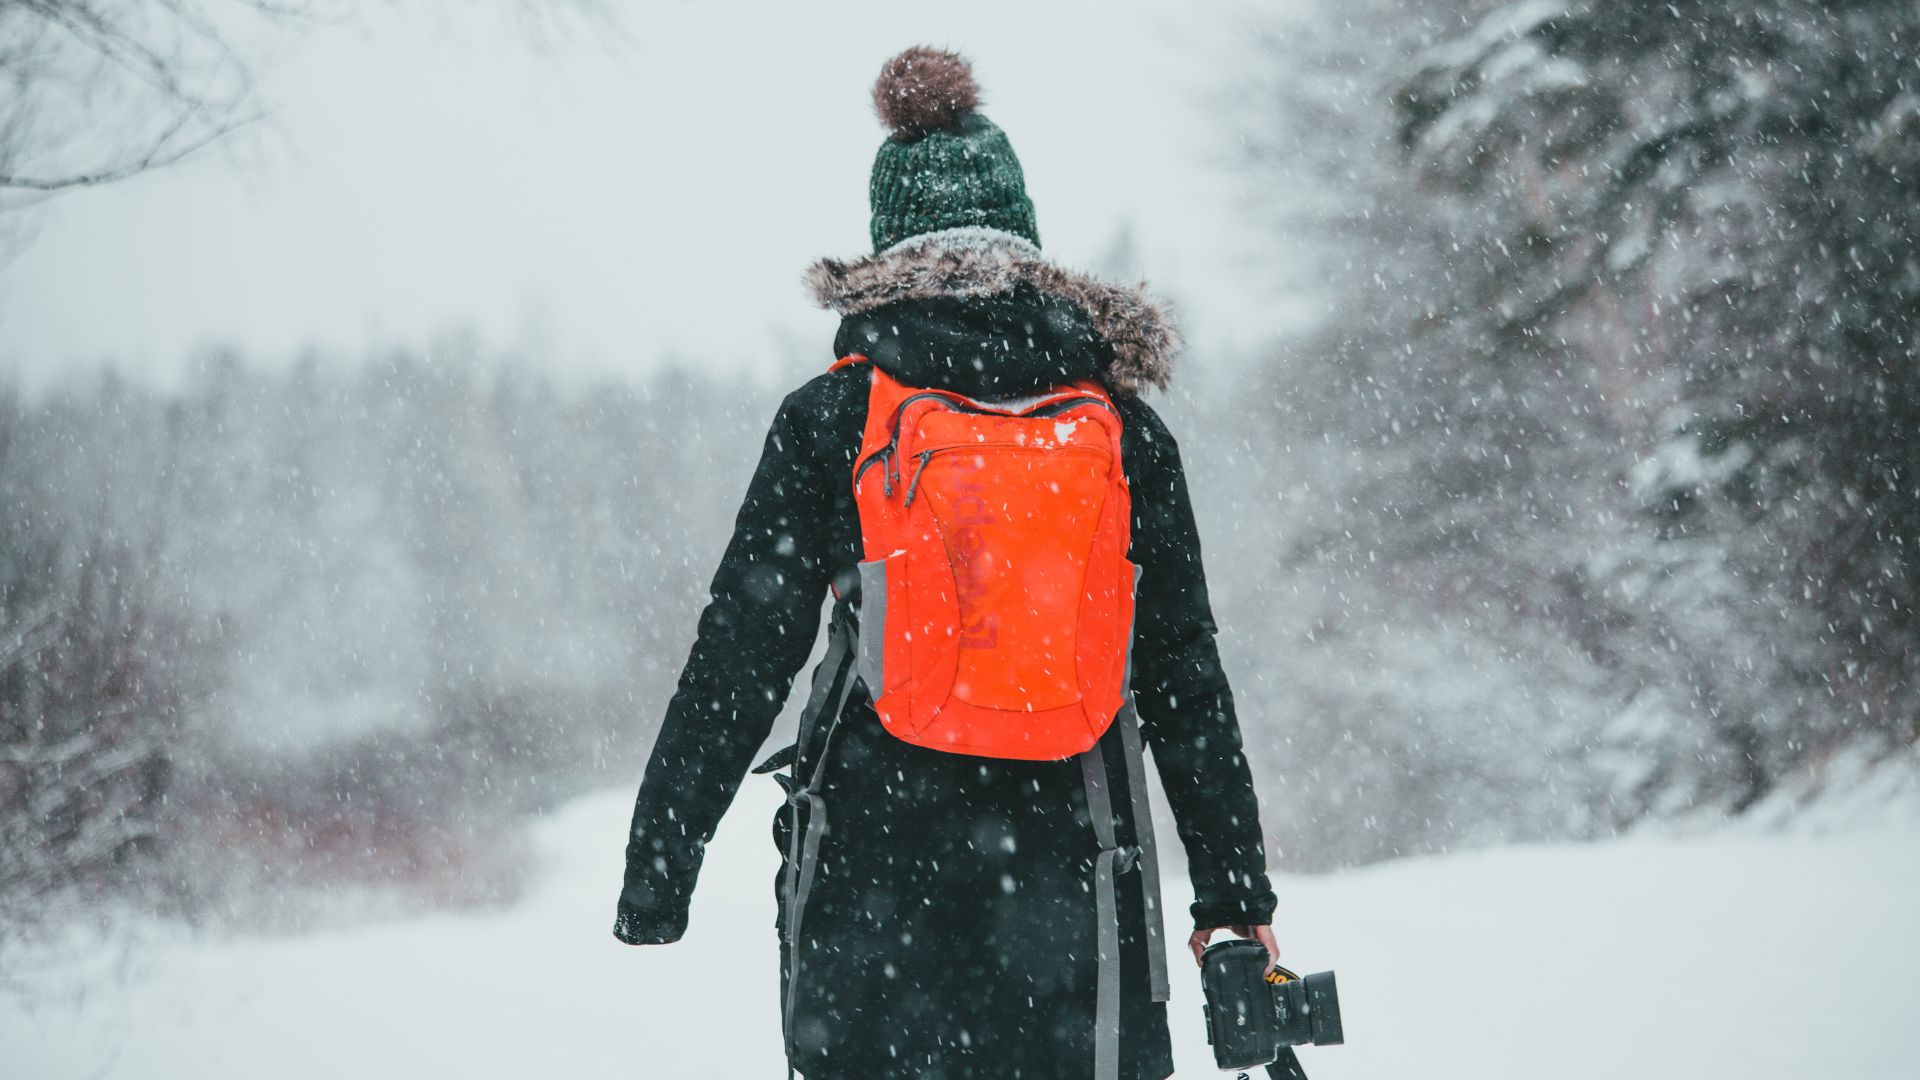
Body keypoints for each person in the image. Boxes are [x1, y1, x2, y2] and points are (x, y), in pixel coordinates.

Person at [614, 45, 1278, 1080]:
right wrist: (1234, 898)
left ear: (887, 245)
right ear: (1027, 238)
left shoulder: (835, 418)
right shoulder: (1124, 434)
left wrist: (660, 866)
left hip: (873, 888)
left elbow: (740, 651)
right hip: (1079, 886)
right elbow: (1185, 676)